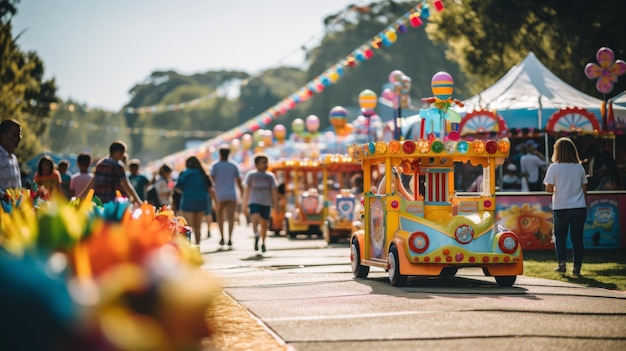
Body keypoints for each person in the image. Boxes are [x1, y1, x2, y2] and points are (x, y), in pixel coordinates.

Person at [543, 137, 587, 276]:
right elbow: (585, 190)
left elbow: (549, 189)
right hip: (579, 206)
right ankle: (577, 267)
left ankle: (562, 264)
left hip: (561, 206)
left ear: (557, 151)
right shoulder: (579, 167)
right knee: (577, 238)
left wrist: (559, 189)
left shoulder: (554, 167)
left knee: (560, 236)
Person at [78, 140, 142, 205]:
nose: (122, 156)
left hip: (98, 201)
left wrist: (81, 197)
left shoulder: (100, 163)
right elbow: (127, 185)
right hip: (111, 202)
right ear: (118, 152)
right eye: (122, 153)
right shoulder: (118, 166)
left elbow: (92, 183)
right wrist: (139, 201)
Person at [175, 156, 218, 245]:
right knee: (198, 226)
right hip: (201, 202)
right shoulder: (203, 174)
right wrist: (216, 201)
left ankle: (188, 247)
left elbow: (178, 188)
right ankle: (198, 245)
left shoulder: (185, 173)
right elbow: (210, 189)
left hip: (187, 202)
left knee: (188, 227)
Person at [242, 153, 279, 253]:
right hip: (254, 201)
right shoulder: (251, 175)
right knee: (255, 219)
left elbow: (274, 192)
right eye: (263, 162)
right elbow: (247, 190)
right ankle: (256, 235)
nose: (265, 164)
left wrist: (276, 205)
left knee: (264, 225)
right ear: (256, 164)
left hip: (266, 203)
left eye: (266, 162)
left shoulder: (270, 176)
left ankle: (263, 242)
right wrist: (244, 205)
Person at [210, 145, 244, 247]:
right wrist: (241, 194)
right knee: (230, 218)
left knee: (220, 217)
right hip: (231, 194)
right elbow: (238, 182)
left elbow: (211, 180)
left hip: (219, 195)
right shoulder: (234, 165)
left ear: (220, 154)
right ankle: (230, 238)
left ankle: (222, 237)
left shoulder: (215, 166)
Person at [0, 119, 23, 195]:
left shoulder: (14, 159)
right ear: (3, 136)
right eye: (14, 135)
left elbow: (18, 187)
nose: (18, 138)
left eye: (20, 135)